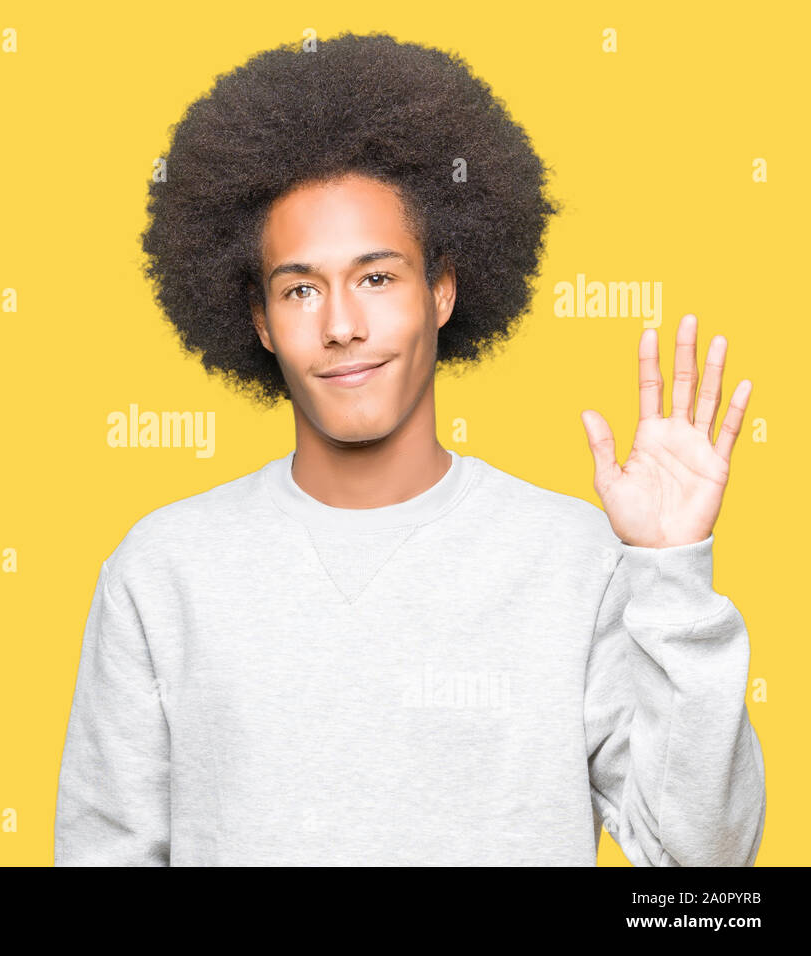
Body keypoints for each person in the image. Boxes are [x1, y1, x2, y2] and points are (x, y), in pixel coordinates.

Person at [53, 31, 765, 866]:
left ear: (443, 289)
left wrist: (674, 573)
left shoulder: (579, 562)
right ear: (260, 322)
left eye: (379, 277)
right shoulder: (161, 571)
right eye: (301, 288)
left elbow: (705, 871)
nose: (342, 323)